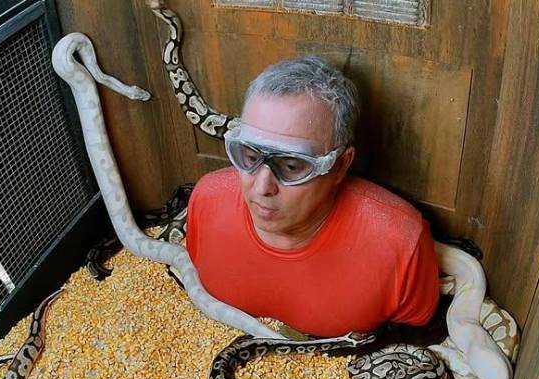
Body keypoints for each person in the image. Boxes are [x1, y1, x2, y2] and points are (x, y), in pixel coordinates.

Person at [185, 56, 440, 337]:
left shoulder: (401, 243)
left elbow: (416, 338)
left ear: (340, 165)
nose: (262, 187)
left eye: (291, 166)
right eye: (250, 156)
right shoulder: (206, 202)